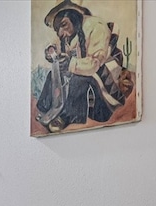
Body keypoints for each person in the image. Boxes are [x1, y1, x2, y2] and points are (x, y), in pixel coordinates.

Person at [35, 0, 131, 133]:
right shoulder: (68, 33)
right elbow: (57, 48)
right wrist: (51, 51)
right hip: (81, 67)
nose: (61, 33)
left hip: (101, 70)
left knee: (77, 80)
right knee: (53, 75)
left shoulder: (96, 26)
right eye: (58, 29)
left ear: (74, 17)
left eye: (63, 25)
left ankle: (66, 118)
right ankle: (46, 109)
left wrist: (70, 64)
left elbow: (95, 63)